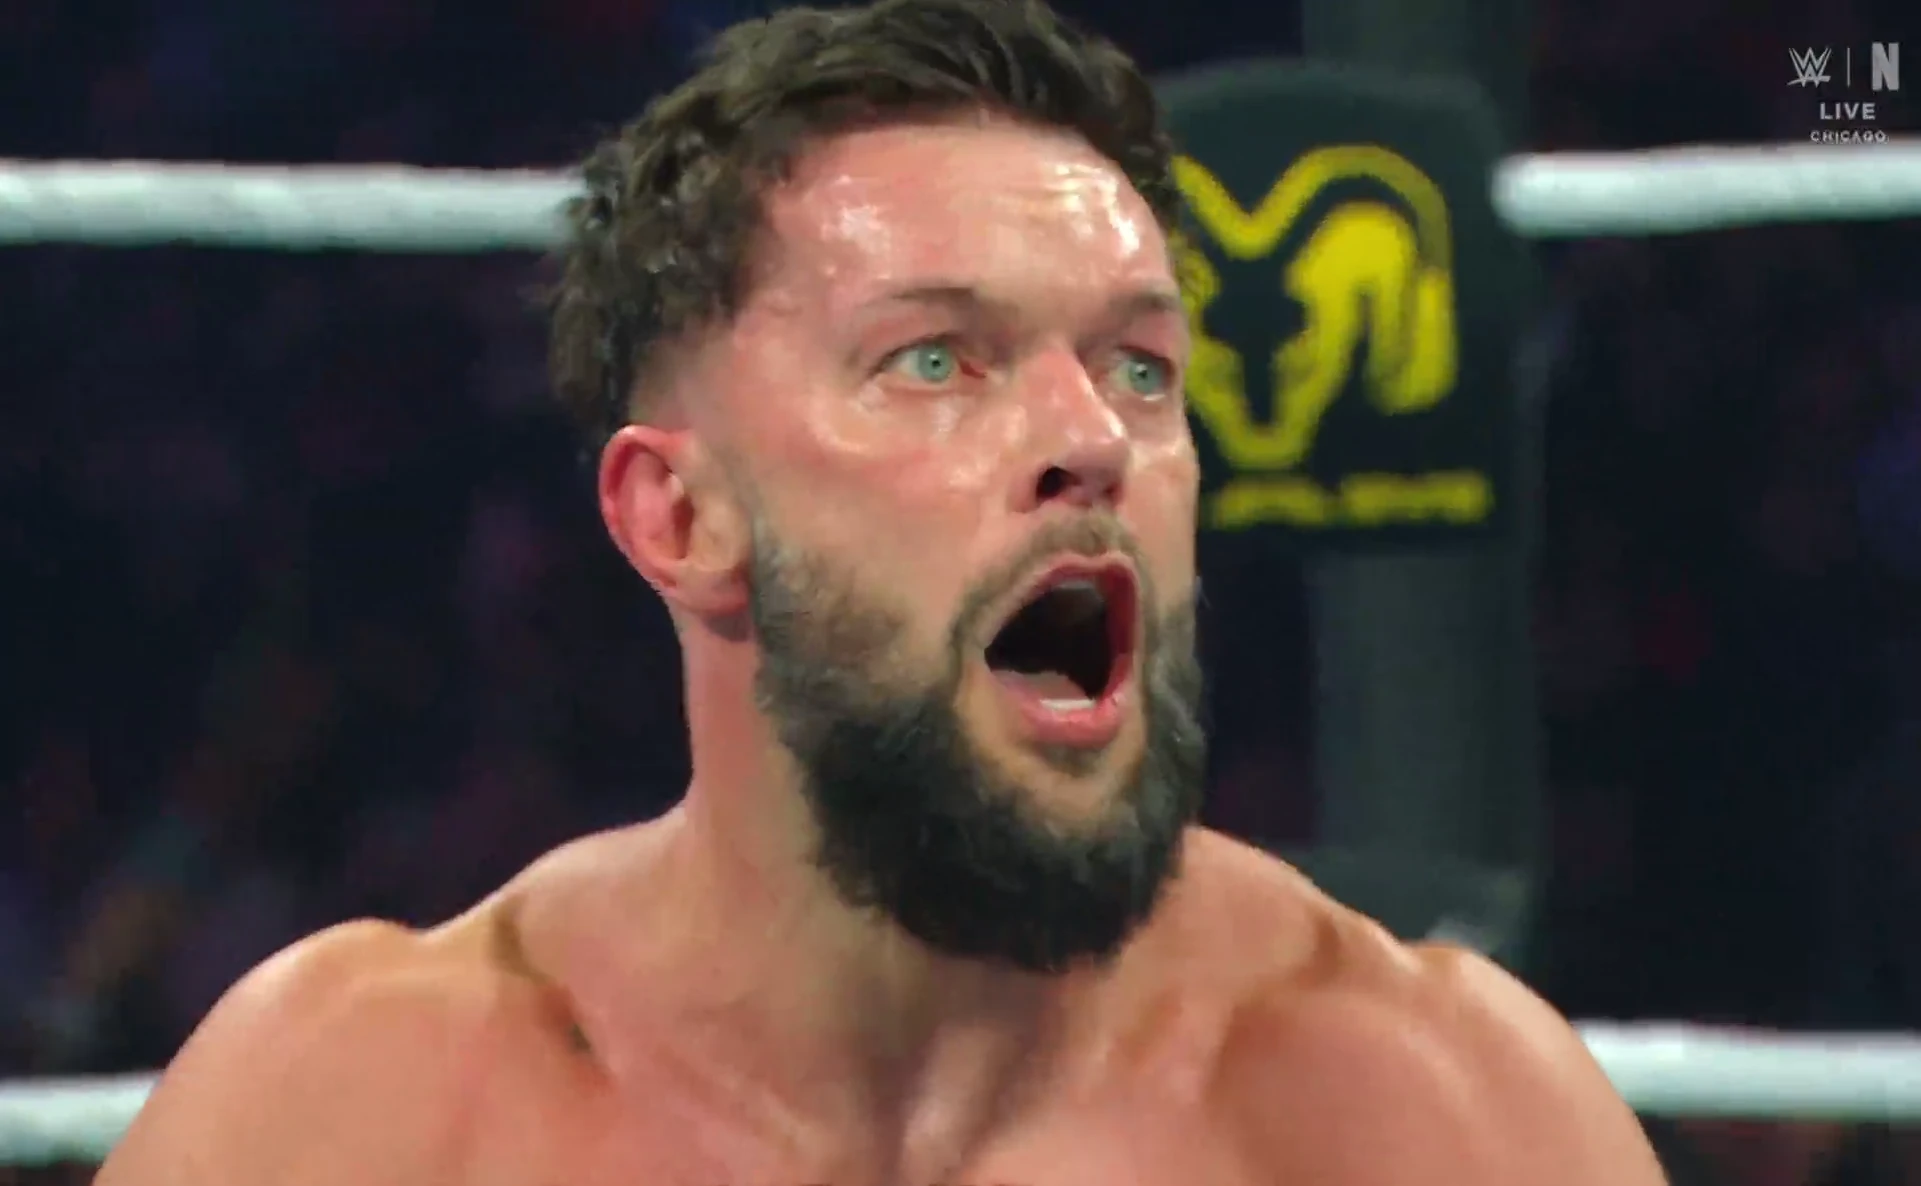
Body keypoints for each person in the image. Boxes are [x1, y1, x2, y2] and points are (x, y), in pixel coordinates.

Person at [96, 1, 1668, 1182]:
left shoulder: (1436, 1111)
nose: (1091, 438)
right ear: (680, 516)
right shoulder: (365, 1109)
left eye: (1140, 365)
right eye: (936, 360)